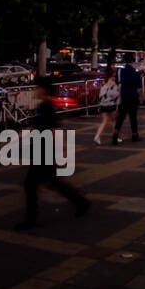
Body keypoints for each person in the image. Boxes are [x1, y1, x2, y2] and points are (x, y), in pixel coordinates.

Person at [15, 78, 90, 230]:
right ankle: (81, 202)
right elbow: (34, 127)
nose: (35, 91)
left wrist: (62, 150)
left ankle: (30, 220)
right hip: (41, 150)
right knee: (53, 183)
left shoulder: (47, 106)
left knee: (31, 184)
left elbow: (55, 128)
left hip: (45, 151)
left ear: (43, 90)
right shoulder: (43, 106)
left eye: (37, 88)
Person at [113, 54, 143, 144]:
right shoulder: (135, 72)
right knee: (133, 117)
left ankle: (115, 135)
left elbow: (118, 83)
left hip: (124, 96)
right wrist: (139, 97)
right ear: (132, 61)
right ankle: (134, 135)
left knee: (121, 117)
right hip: (133, 96)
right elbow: (139, 88)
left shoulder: (121, 71)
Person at [94, 66, 120, 145]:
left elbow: (100, 95)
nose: (115, 76)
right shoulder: (113, 84)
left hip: (103, 104)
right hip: (111, 104)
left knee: (104, 121)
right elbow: (115, 95)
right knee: (114, 121)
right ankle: (115, 136)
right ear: (111, 75)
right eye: (114, 75)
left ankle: (97, 136)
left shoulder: (103, 84)